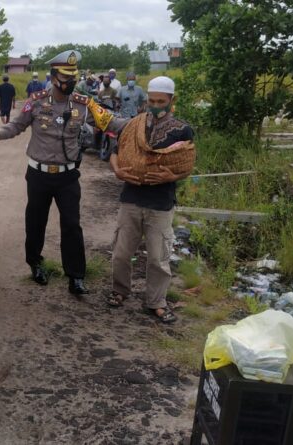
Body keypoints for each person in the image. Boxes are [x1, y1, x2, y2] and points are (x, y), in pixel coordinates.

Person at [0, 50, 96, 296]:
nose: (71, 82)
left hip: (67, 176)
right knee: (36, 222)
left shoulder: (83, 104)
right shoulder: (36, 101)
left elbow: (109, 122)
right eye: (66, 77)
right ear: (54, 77)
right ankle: (36, 264)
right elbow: (17, 125)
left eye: (74, 76)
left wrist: (133, 125)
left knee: (72, 225)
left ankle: (76, 276)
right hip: (38, 175)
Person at [103, 76, 193, 323]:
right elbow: (115, 153)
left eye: (160, 101)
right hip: (131, 198)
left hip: (161, 203)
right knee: (121, 253)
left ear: (171, 100)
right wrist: (117, 170)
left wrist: (173, 175)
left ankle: (156, 302)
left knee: (158, 257)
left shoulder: (182, 130)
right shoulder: (134, 125)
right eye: (151, 100)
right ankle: (120, 290)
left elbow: (186, 166)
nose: (155, 105)